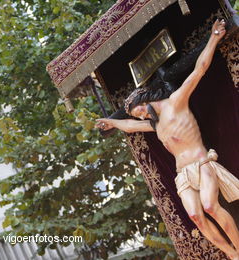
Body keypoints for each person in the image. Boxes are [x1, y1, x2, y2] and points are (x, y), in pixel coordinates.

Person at [96, 20, 239, 260]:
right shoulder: (155, 124)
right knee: (195, 217)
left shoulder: (176, 102)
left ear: (146, 99)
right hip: (183, 174)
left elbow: (199, 70)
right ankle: (231, 255)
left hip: (202, 164)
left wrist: (214, 38)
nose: (140, 114)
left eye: (139, 109)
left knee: (210, 206)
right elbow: (131, 127)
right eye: (137, 114)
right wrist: (113, 123)